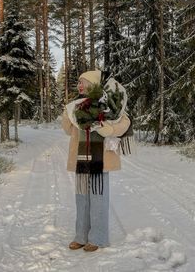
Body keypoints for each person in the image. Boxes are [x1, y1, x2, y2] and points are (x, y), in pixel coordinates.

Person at [61, 70, 131, 252]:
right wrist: (66, 115)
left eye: (83, 82)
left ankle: (98, 238)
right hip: (81, 158)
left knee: (98, 198)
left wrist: (106, 128)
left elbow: (125, 123)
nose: (80, 85)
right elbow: (69, 131)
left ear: (93, 84)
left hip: (100, 159)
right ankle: (81, 237)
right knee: (81, 198)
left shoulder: (107, 103)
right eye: (78, 82)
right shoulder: (75, 106)